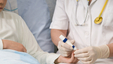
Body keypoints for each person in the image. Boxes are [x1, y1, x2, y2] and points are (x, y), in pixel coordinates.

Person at [0, 0, 78, 64]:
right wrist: (5, 44)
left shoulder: (15, 20)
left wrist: (59, 59)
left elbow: (35, 54)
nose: (2, 1)